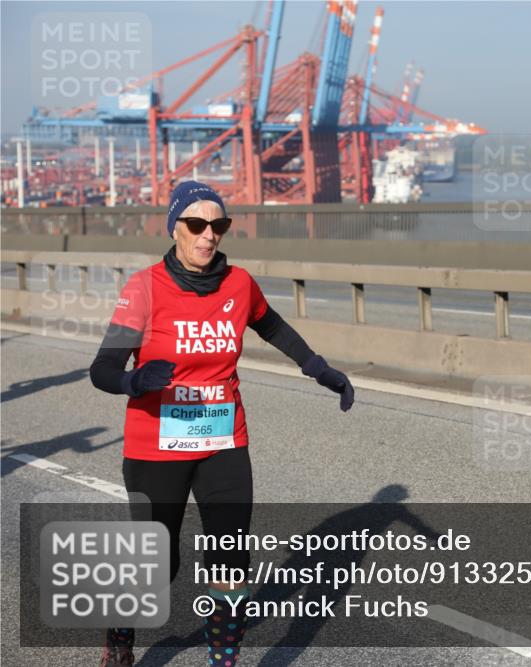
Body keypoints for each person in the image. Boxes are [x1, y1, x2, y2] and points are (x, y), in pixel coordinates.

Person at [89, 180, 355, 666]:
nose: (208, 235)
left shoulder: (238, 284)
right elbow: (101, 370)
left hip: (222, 439)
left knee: (230, 561)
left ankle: (222, 661)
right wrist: (134, 381)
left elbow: (271, 324)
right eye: (196, 224)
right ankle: (121, 639)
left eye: (218, 225)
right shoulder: (144, 288)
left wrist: (319, 368)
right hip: (156, 447)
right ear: (175, 228)